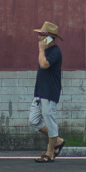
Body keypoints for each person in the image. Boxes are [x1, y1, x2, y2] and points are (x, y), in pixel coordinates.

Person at [29, 21, 65, 163]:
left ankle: (49, 153)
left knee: (50, 122)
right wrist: (42, 50)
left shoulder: (55, 51)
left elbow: (44, 65)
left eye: (42, 35)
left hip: (49, 93)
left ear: (49, 38)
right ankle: (58, 141)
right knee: (33, 120)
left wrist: (41, 50)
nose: (38, 38)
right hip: (39, 92)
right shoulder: (45, 51)